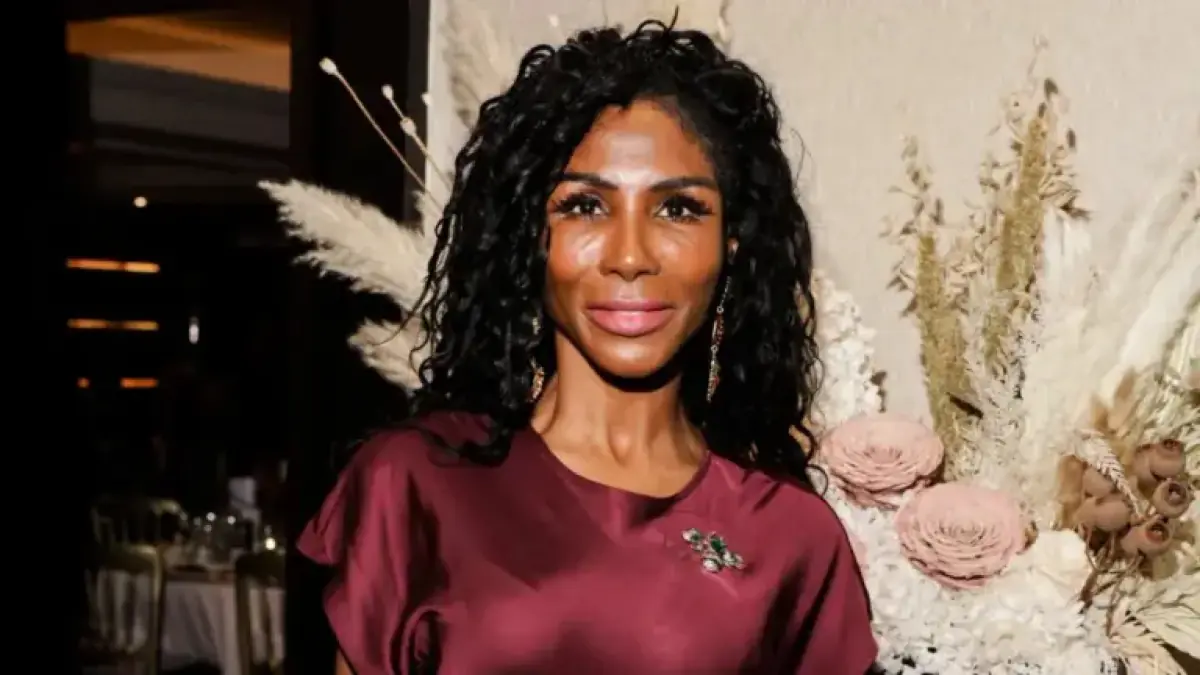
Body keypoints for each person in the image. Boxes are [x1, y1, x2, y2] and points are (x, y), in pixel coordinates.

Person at [298, 19, 877, 674]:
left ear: (731, 248)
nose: (629, 256)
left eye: (678, 209)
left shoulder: (789, 533)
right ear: (530, 238)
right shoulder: (415, 483)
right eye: (585, 206)